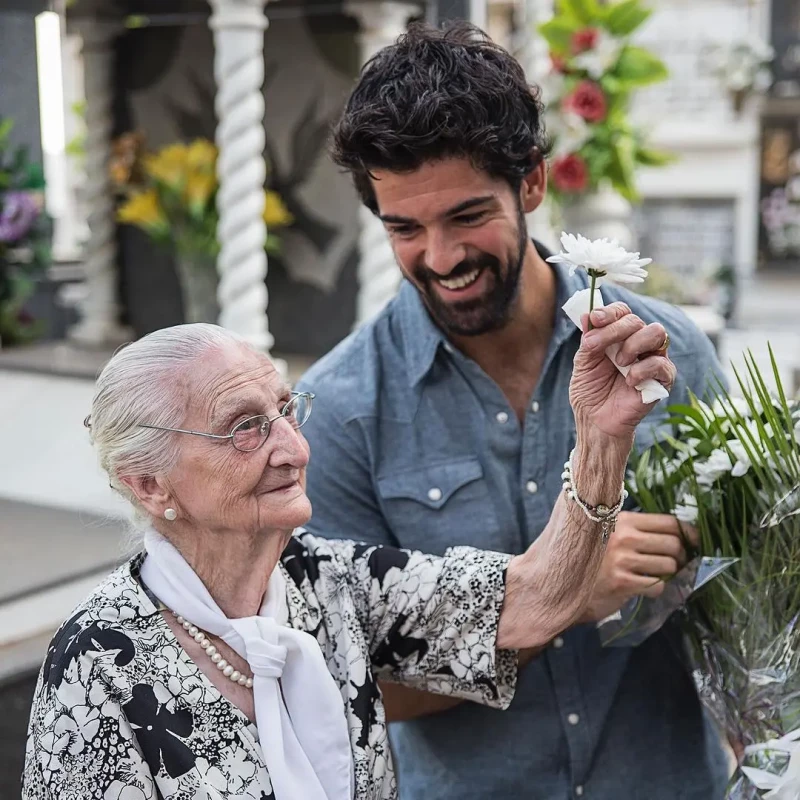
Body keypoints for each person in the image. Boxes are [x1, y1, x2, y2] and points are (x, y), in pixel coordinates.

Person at [296, 21, 729, 800]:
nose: (440, 256)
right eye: (405, 228)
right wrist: (564, 594)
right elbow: (354, 691)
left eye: (466, 216)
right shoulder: (340, 412)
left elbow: (746, 598)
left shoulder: (667, 353)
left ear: (530, 182)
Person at [23, 316, 667, 800]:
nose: (293, 449)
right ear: (149, 484)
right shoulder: (98, 661)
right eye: (244, 427)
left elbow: (531, 603)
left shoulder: (326, 580)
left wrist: (600, 442)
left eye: (284, 411)